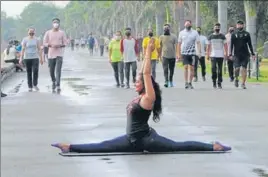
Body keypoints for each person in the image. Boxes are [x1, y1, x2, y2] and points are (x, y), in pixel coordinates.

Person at [51, 38, 231, 154]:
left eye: (138, 81)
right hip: (131, 138)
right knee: (103, 144)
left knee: (178, 146)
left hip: (146, 141)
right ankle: (69, 146)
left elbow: (146, 74)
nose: (135, 82)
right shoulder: (140, 97)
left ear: (145, 85)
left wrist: (147, 52)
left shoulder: (148, 98)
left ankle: (213, 146)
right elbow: (142, 75)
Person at [43, 18, 67, 92]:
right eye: (54, 22)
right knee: (51, 70)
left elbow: (65, 43)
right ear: (52, 24)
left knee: (58, 70)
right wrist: (50, 45)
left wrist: (60, 45)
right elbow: (44, 42)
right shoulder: (48, 33)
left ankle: (58, 84)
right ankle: (53, 81)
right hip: (51, 54)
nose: (56, 24)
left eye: (57, 22)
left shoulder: (62, 33)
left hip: (59, 54)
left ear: (59, 24)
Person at [230, 20, 255, 89]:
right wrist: (230, 54)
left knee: (244, 69)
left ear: (243, 25)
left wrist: (252, 53)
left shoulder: (247, 34)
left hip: (245, 54)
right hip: (236, 54)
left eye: (241, 24)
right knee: (237, 69)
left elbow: (250, 44)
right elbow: (231, 45)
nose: (240, 26)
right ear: (236, 25)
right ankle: (236, 78)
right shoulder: (233, 34)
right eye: (238, 24)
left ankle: (243, 83)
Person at [177, 20, 201, 89]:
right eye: (186, 24)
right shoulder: (181, 33)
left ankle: (190, 82)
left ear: (191, 25)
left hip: (193, 53)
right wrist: (178, 54)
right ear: (184, 25)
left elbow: (198, 42)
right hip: (184, 53)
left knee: (192, 68)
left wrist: (199, 52)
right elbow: (179, 44)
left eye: (189, 24)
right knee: (185, 67)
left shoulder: (195, 32)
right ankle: (186, 82)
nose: (187, 26)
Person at [20, 28, 43, 92]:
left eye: (32, 32)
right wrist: (20, 58)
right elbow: (23, 49)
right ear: (28, 32)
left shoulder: (36, 39)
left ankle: (35, 84)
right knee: (29, 72)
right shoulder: (25, 39)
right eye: (30, 32)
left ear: (34, 32)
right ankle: (30, 86)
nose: (31, 33)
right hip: (27, 58)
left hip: (35, 57)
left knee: (35, 70)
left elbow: (39, 49)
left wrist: (41, 58)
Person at [206, 23, 227, 89]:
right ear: (213, 28)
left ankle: (219, 82)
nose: (217, 28)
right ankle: (214, 81)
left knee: (220, 70)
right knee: (213, 69)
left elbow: (225, 45)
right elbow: (208, 46)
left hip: (220, 55)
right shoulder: (210, 36)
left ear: (219, 28)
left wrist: (226, 52)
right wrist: (208, 54)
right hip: (213, 55)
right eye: (216, 27)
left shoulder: (222, 36)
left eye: (218, 27)